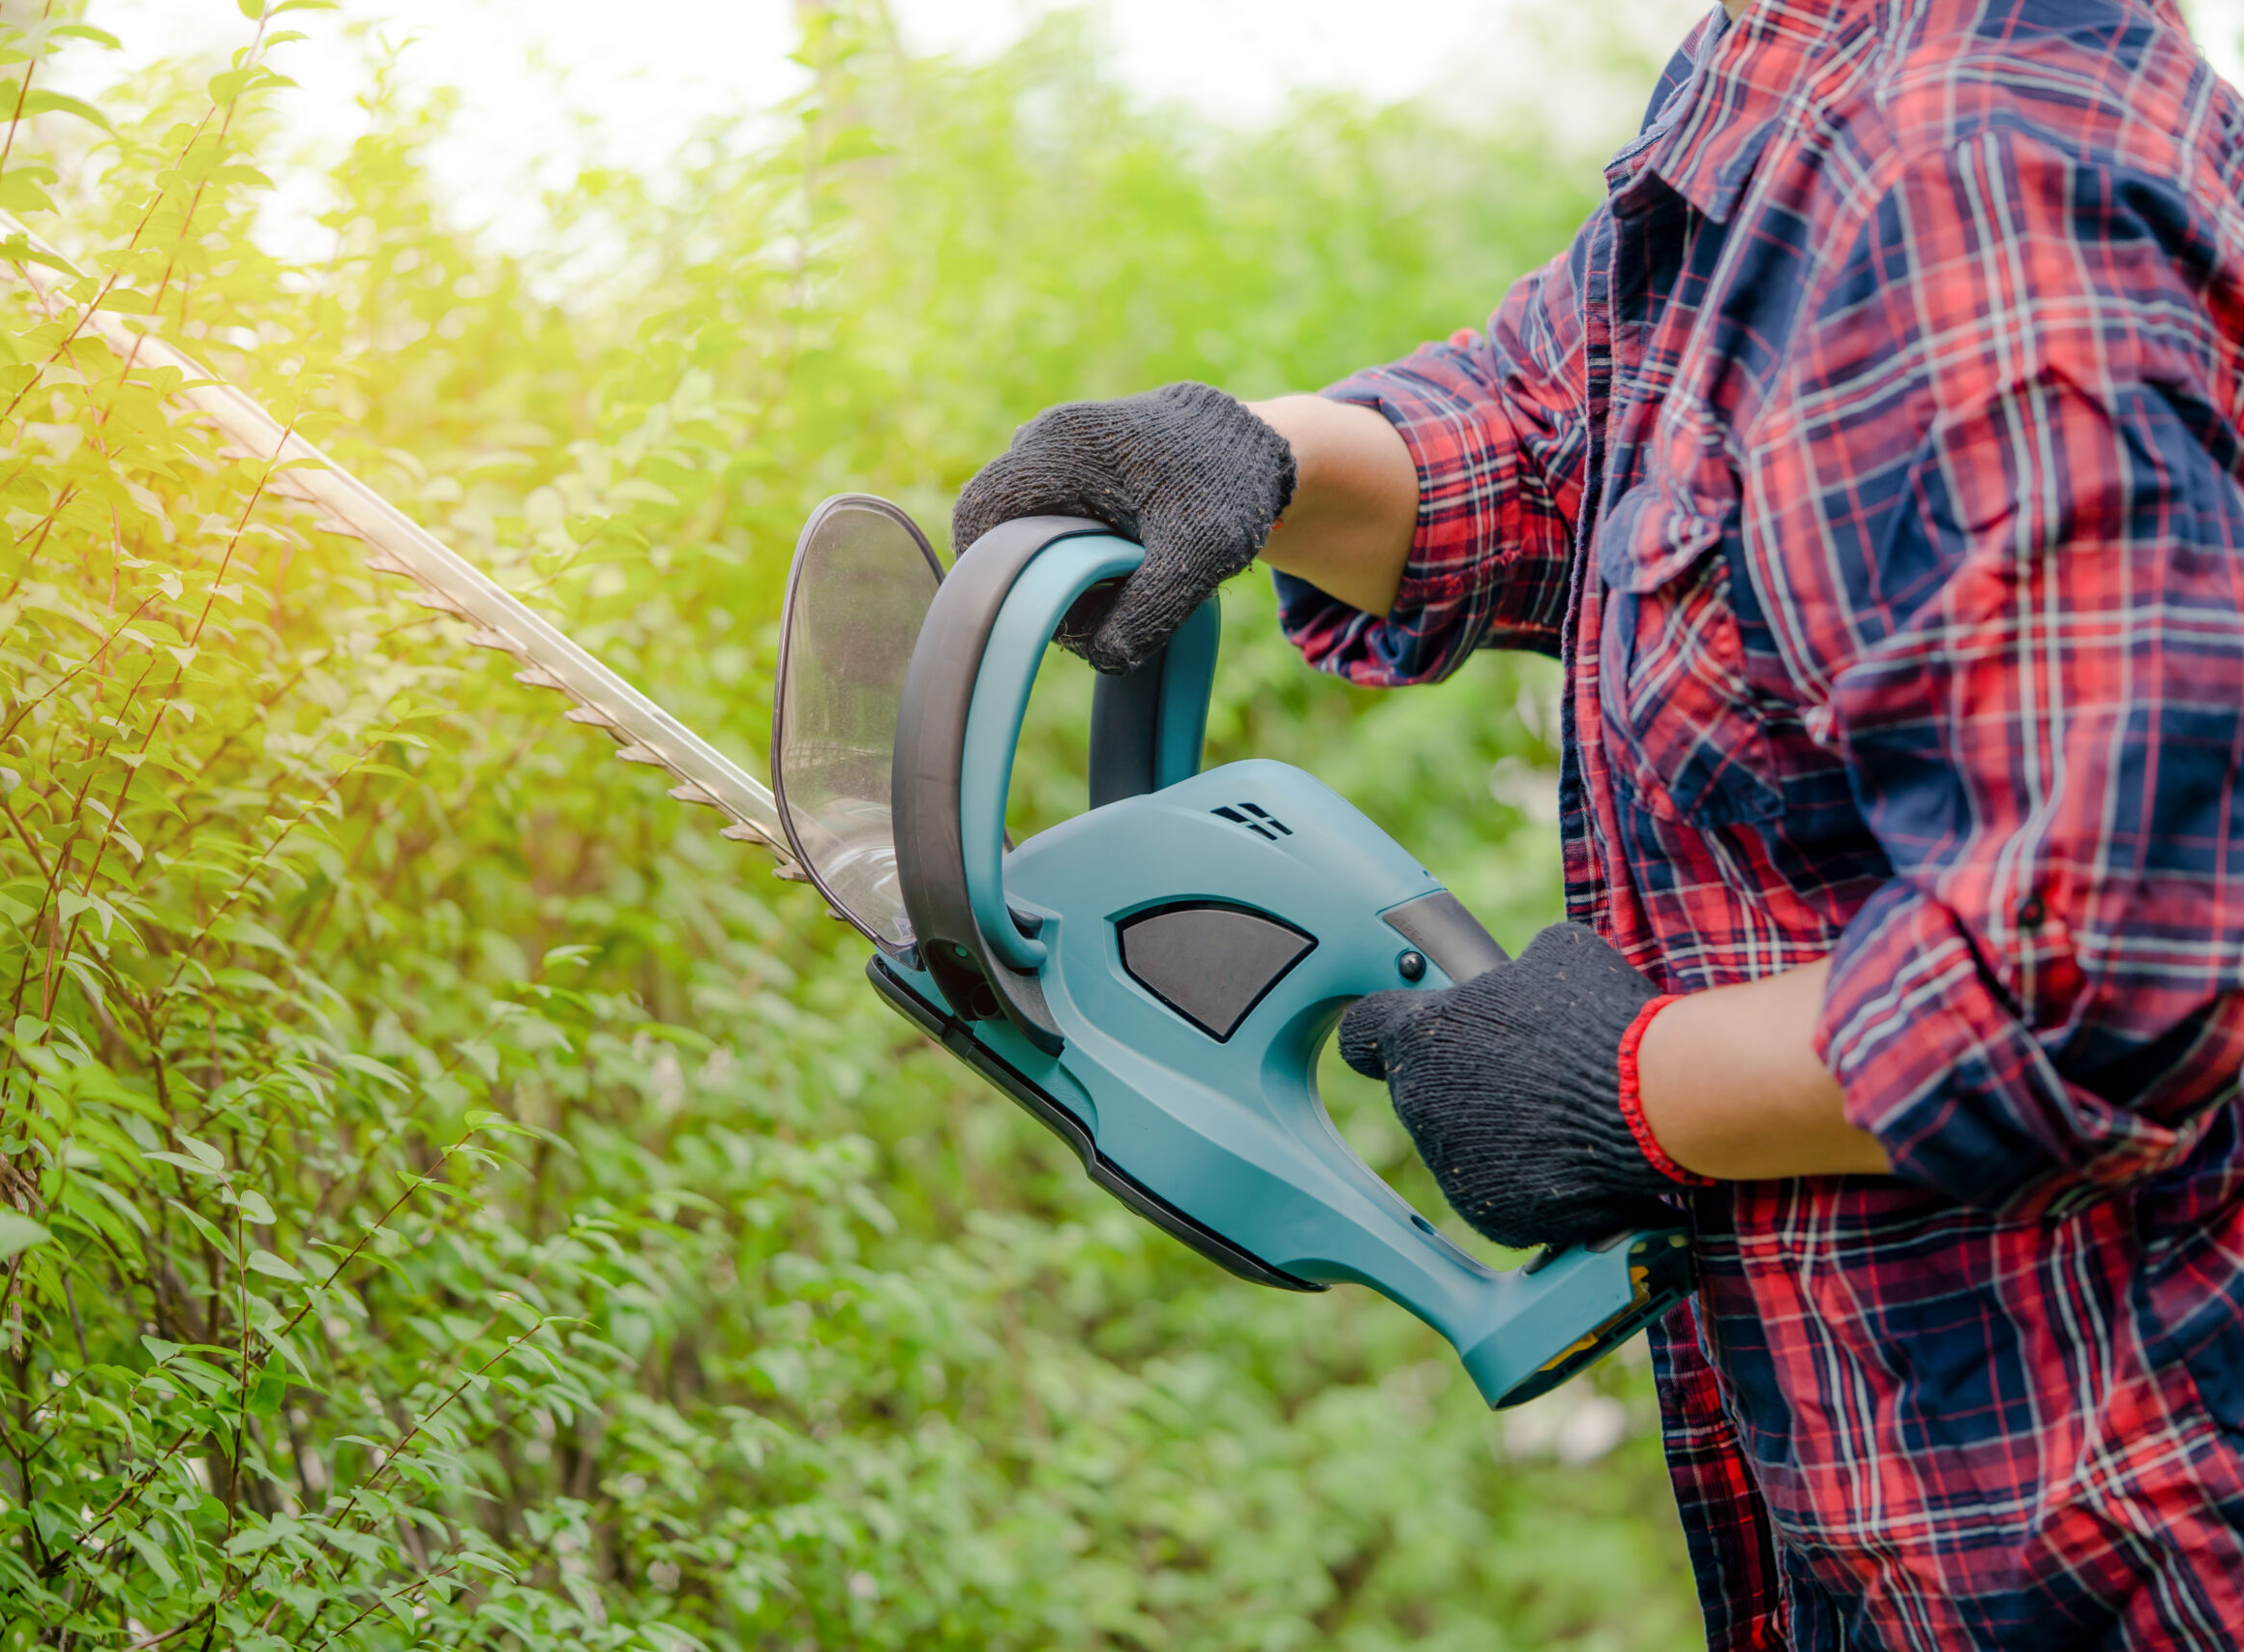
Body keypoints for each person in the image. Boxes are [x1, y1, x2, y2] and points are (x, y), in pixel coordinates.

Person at [950, 0, 2244, 1645]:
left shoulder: (1975, 176)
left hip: (2115, 1538)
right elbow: (1571, 429)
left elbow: (2108, 972)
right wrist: (1256, 457)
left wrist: (1629, 1087)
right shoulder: (1794, 79)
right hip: (1893, 1513)